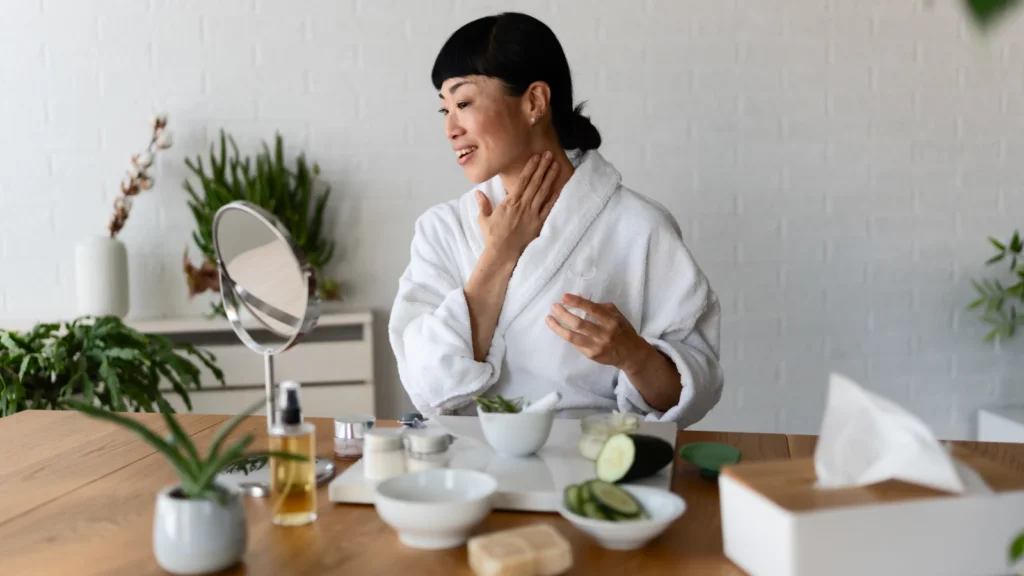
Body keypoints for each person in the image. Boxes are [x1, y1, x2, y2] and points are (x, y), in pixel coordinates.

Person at [388, 12, 723, 427]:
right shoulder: (441, 230)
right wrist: (499, 253)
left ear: (534, 101)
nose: (450, 128)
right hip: (471, 469)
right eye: (444, 111)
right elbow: (426, 386)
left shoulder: (638, 226)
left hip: (594, 466)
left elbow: (693, 393)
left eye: (463, 103)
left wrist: (634, 355)